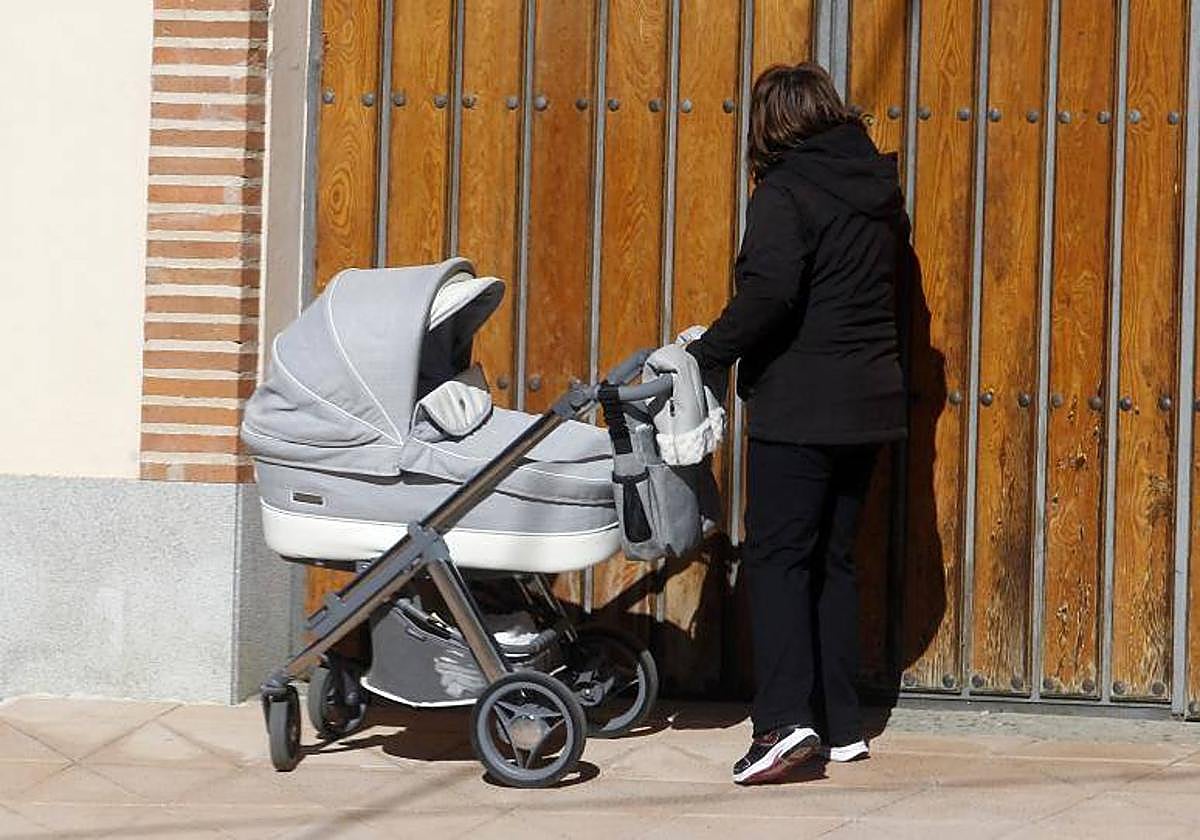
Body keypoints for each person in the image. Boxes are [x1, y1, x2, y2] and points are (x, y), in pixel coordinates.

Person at [684, 62, 909, 785]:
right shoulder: (877, 189)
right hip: (871, 404)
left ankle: (782, 723)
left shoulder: (784, 191)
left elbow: (770, 294)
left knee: (778, 560)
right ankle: (841, 725)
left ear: (770, 127)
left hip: (802, 406)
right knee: (832, 561)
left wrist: (706, 353)